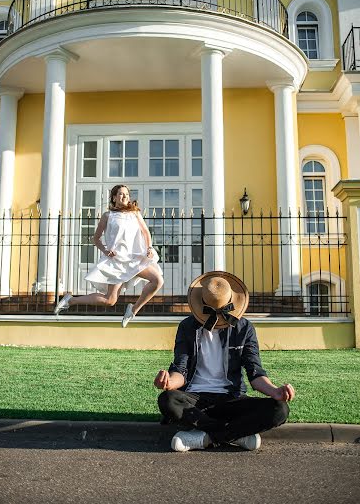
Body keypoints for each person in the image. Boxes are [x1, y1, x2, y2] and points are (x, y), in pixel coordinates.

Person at [154, 271, 295, 452]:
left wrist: (274, 391)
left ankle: (205, 437)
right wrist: (168, 382)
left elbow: (255, 371)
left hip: (232, 399)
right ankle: (237, 435)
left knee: (280, 410)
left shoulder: (244, 328)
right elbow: (180, 369)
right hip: (196, 401)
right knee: (167, 399)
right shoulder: (187, 327)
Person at [54, 185, 164, 327]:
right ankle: (71, 300)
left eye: (126, 194)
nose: (124, 197)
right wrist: (105, 251)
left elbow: (146, 232)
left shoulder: (135, 214)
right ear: (114, 197)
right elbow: (96, 238)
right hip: (117, 261)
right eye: (121, 194)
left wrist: (149, 247)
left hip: (135, 258)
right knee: (110, 300)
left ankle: (133, 310)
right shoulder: (108, 216)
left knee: (157, 281)